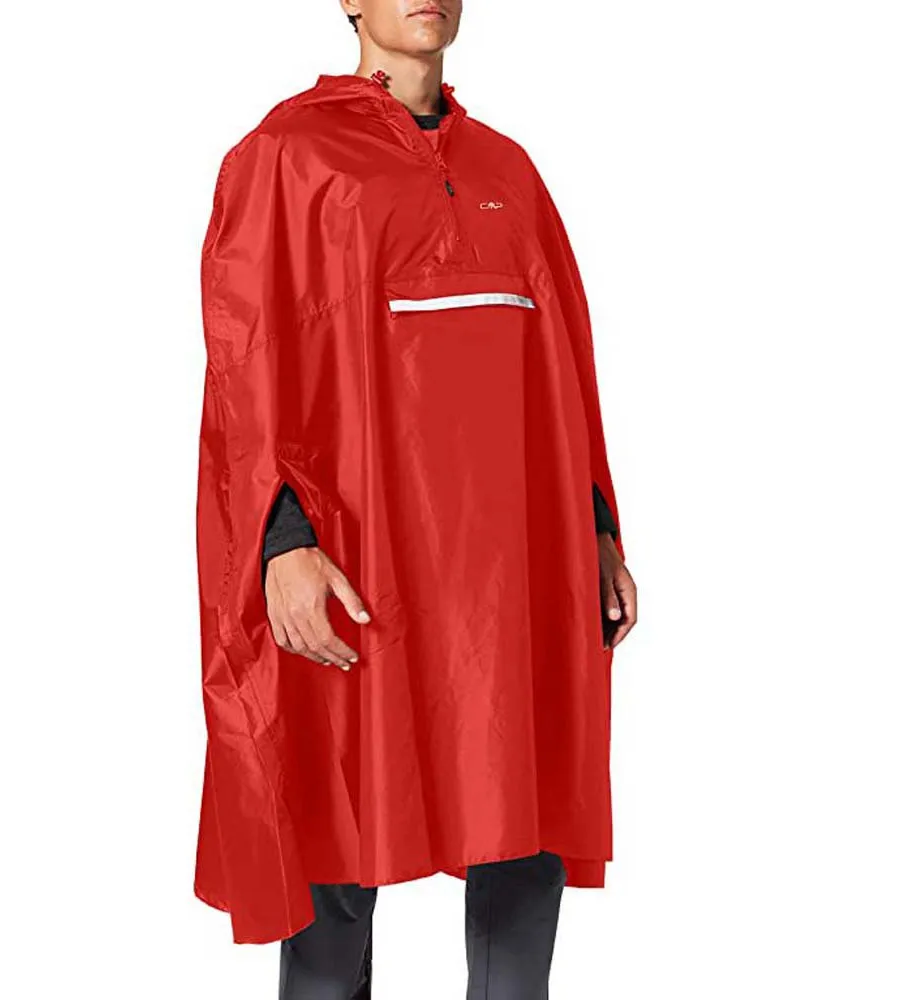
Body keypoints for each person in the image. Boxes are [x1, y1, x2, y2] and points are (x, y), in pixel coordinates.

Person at [194, 1, 638, 996]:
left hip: (513, 567)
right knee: (339, 836)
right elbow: (246, 362)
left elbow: (562, 367)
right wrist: (280, 541)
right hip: (361, 557)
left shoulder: (507, 170)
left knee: (521, 823)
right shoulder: (287, 156)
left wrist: (598, 528)